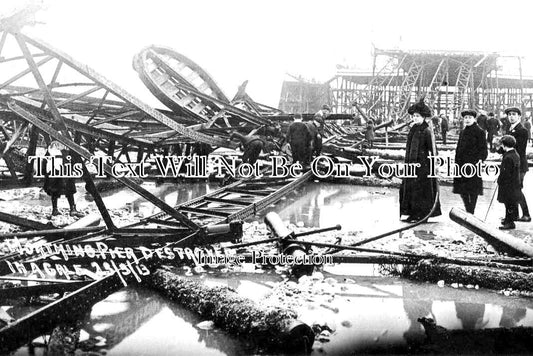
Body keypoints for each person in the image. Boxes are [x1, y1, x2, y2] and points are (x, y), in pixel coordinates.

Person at [399, 98, 442, 222]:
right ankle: (412, 213)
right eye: (413, 116)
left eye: (417, 116)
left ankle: (422, 215)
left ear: (423, 117)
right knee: (411, 189)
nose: (415, 118)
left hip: (423, 167)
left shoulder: (427, 131)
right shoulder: (413, 129)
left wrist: (434, 164)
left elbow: (434, 150)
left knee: (421, 190)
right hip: (411, 165)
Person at [453, 109, 488, 214]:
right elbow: (459, 148)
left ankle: (471, 210)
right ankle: (468, 208)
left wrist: (480, 160)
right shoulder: (463, 132)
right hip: (461, 164)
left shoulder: (480, 132)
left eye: (470, 118)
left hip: (473, 164)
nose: (467, 120)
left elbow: (484, 149)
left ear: (474, 119)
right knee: (462, 188)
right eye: (465, 118)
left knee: (473, 189)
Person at [43, 142, 84, 218]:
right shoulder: (63, 151)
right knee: (67, 191)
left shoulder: (50, 151)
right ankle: (72, 209)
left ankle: (56, 210)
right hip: (62, 174)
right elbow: (72, 161)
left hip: (57, 174)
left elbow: (44, 163)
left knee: (57, 192)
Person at [506, 106, 531, 222]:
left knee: (516, 189)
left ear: (519, 117)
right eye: (509, 114)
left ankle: (526, 214)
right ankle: (514, 215)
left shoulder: (522, 130)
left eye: (514, 114)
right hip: (512, 164)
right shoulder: (509, 130)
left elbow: (519, 149)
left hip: (519, 165)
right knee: (511, 189)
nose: (511, 116)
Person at [497, 135, 522, 230]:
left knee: (508, 203)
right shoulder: (515, 154)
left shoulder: (507, 157)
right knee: (511, 202)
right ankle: (509, 218)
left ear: (504, 145)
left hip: (507, 184)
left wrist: (500, 179)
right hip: (514, 183)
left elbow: (506, 172)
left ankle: (509, 222)